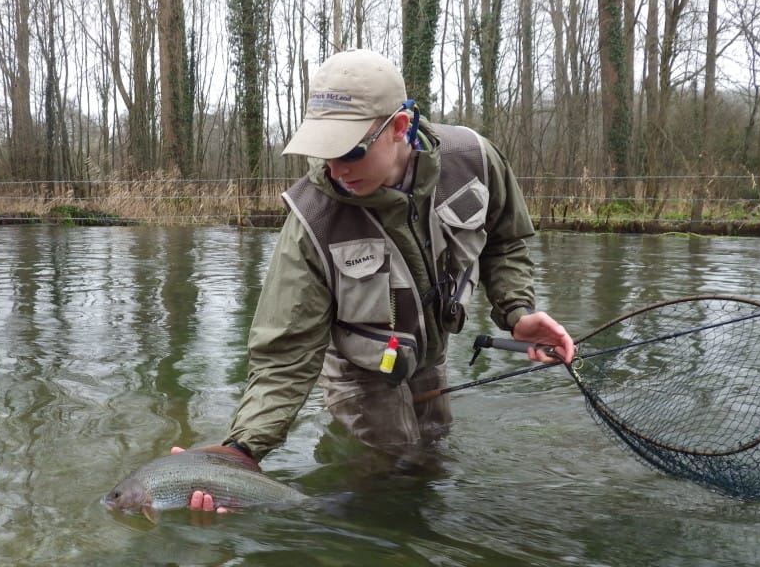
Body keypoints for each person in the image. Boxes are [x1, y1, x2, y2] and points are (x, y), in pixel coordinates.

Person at [181, 49, 574, 512]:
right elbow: (284, 357)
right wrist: (238, 455)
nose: (335, 169)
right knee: (390, 480)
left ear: (400, 128)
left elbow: (505, 241)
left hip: (429, 354)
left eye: (349, 151)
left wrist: (517, 312)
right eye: (323, 151)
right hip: (357, 369)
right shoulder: (313, 220)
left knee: (431, 458)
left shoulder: (474, 161)